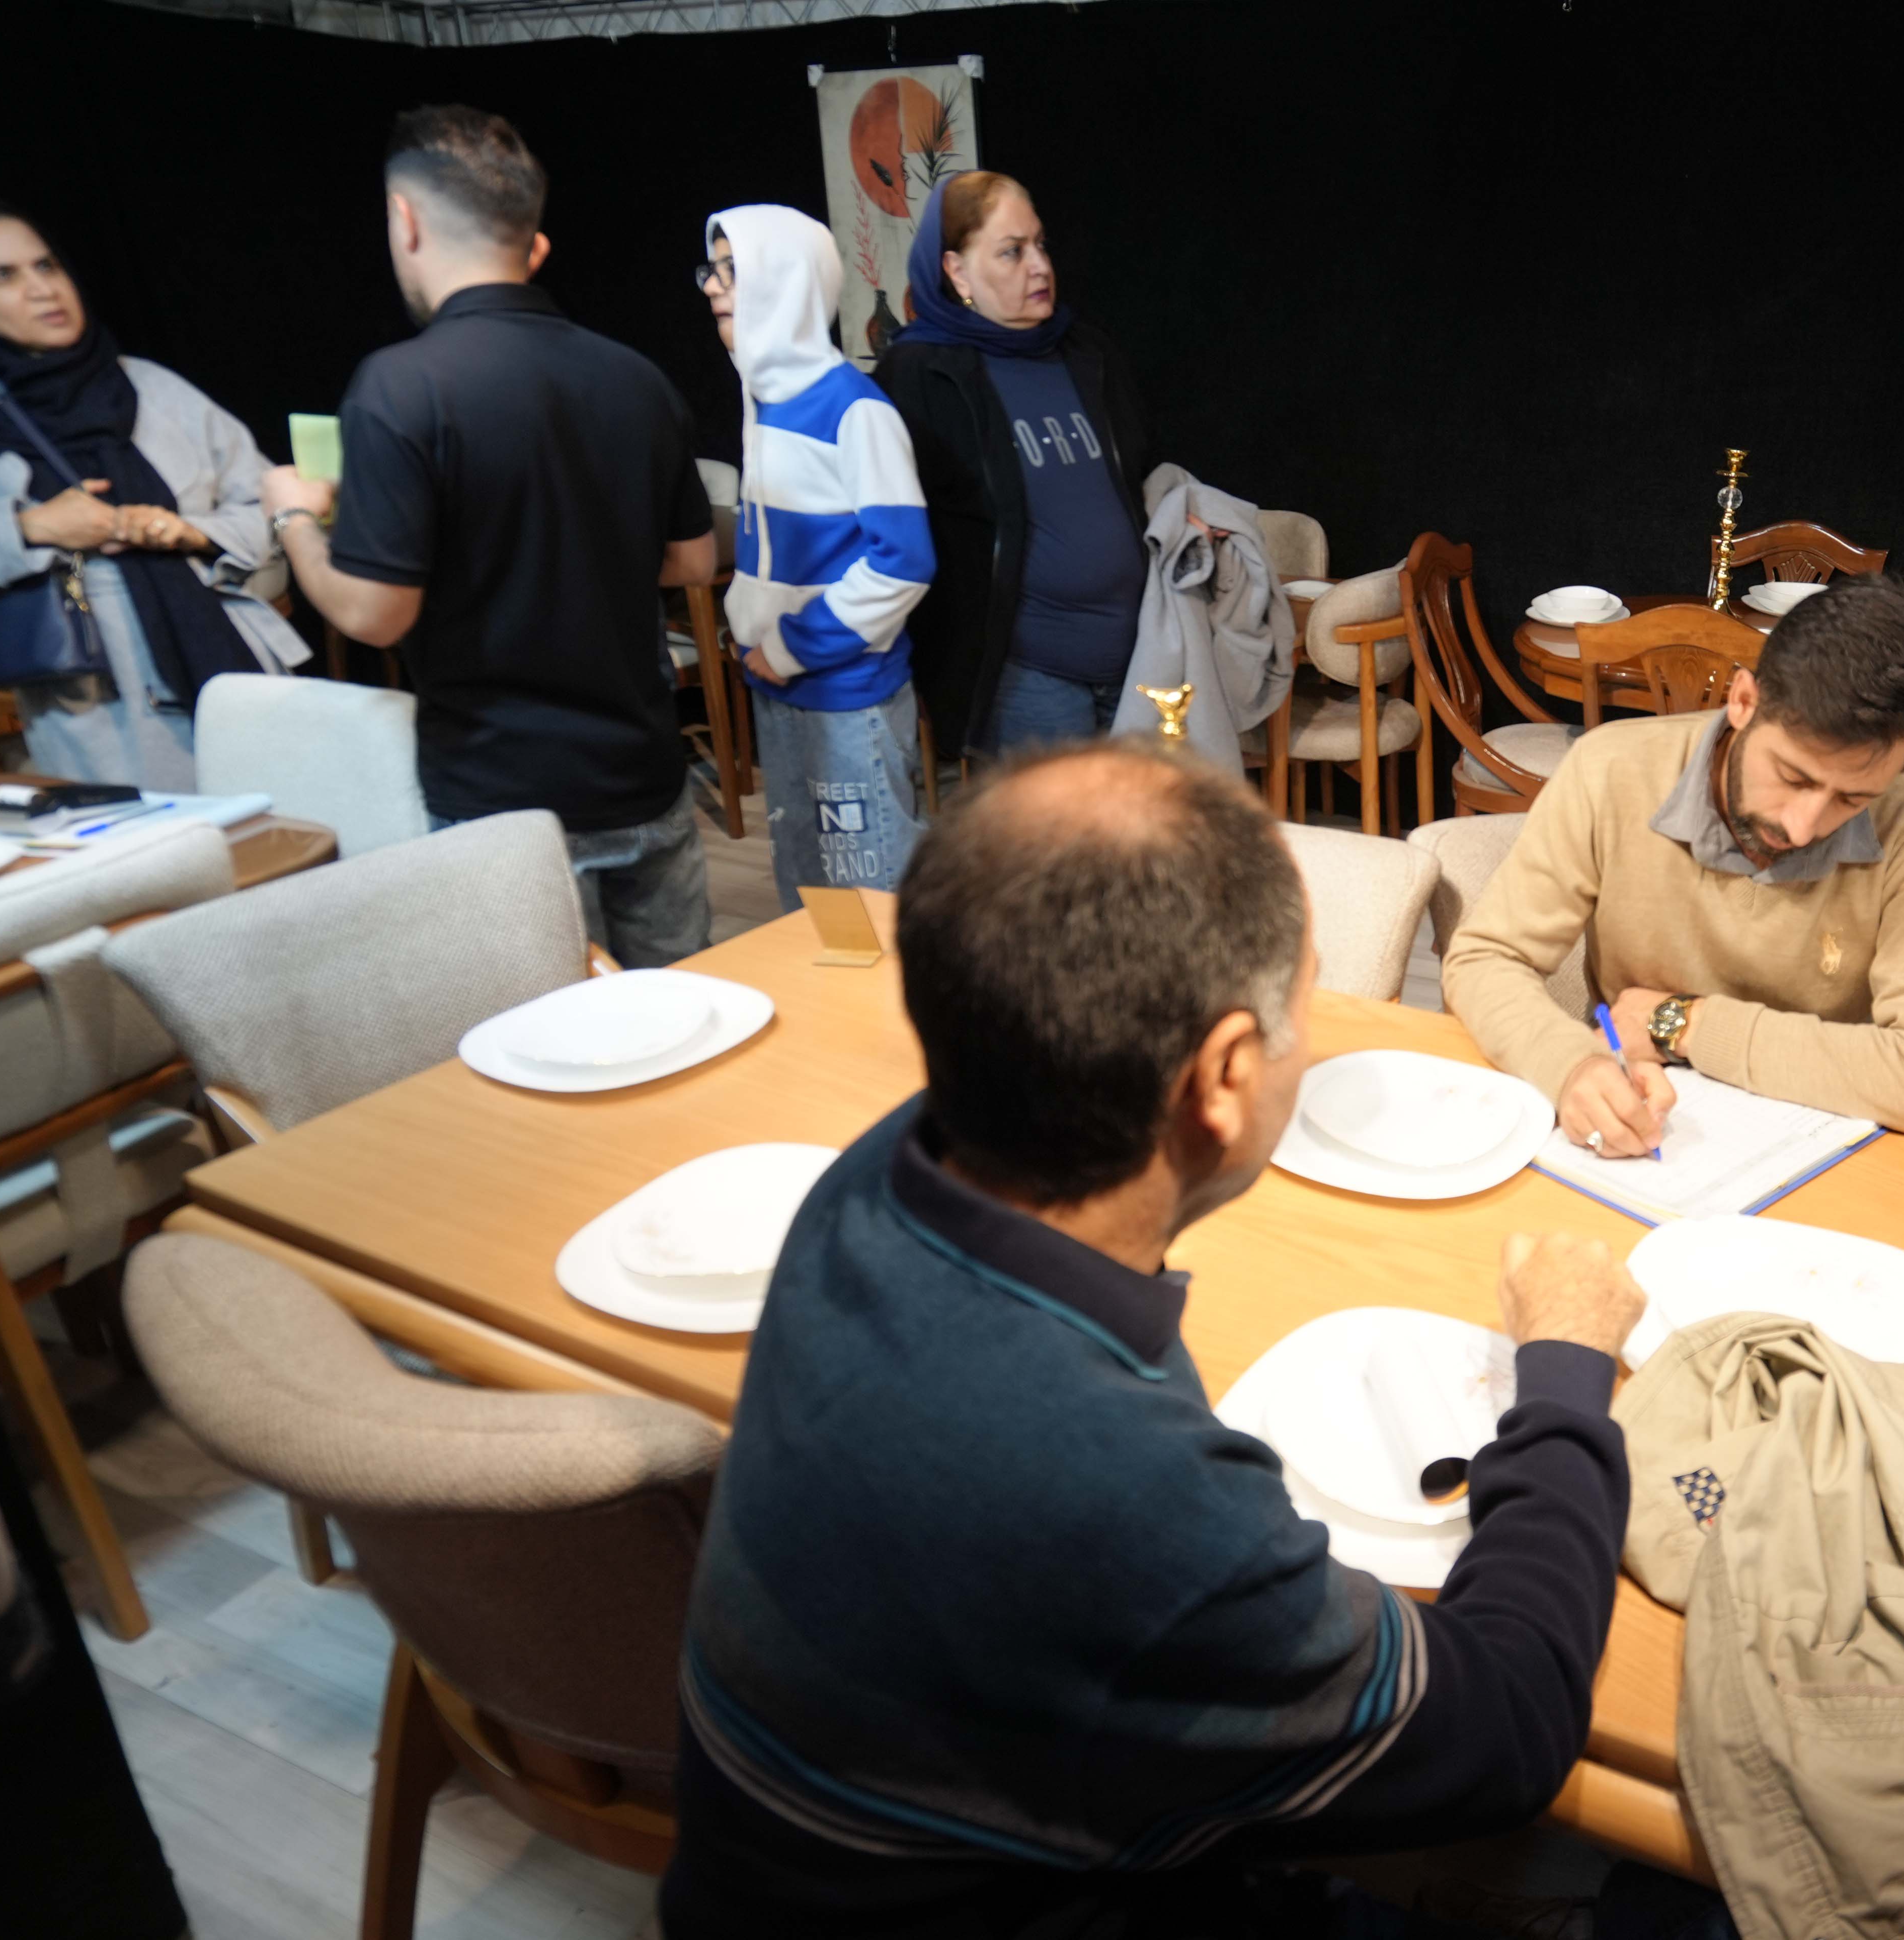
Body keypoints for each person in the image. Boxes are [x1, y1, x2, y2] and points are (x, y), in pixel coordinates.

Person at [661, 739, 1645, 1937]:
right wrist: (1566, 1368)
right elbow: (1507, 1729)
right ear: (1225, 1074)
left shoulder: (882, 1177)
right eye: (1307, 1012)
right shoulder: (1116, 1493)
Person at [261, 106, 720, 967]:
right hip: (645, 778)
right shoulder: (636, 377)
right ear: (531, 240)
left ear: (404, 219)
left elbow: (374, 614)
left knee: (544, 1042)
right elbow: (693, 560)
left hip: (504, 805)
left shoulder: (400, 387)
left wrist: (292, 518)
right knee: (683, 1017)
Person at [1443, 579, 1904, 1151]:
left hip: (1820, 1125)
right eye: (1793, 777)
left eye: (1853, 799)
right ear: (1743, 700)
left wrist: (1681, 1022)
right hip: (1643, 1113)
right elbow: (1485, 961)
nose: (1802, 827)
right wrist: (1571, 1066)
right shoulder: (1611, 769)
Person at [0, 199, 300, 790]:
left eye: (47, 266)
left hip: (239, 671)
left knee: (298, 829)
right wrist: (31, 528)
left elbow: (275, 508)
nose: (43, 289)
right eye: (4, 276)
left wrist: (195, 533)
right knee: (165, 847)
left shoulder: (148, 385)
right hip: (97, 709)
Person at [879, 170, 1159, 758]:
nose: (1040, 267)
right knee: (1051, 824)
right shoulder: (920, 374)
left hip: (1139, 658)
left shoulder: (1086, 351)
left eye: (1041, 245)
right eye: (1012, 252)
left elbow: (1137, 470)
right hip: (1026, 677)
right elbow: (895, 531)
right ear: (957, 271)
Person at [700, 204, 935, 898]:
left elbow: (904, 561)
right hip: (777, 685)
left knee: (870, 897)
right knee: (809, 893)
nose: (712, 287)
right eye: (711, 271)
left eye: (732, 271)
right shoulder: (763, 399)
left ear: (787, 281)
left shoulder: (854, 409)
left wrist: (792, 645)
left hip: (846, 698)